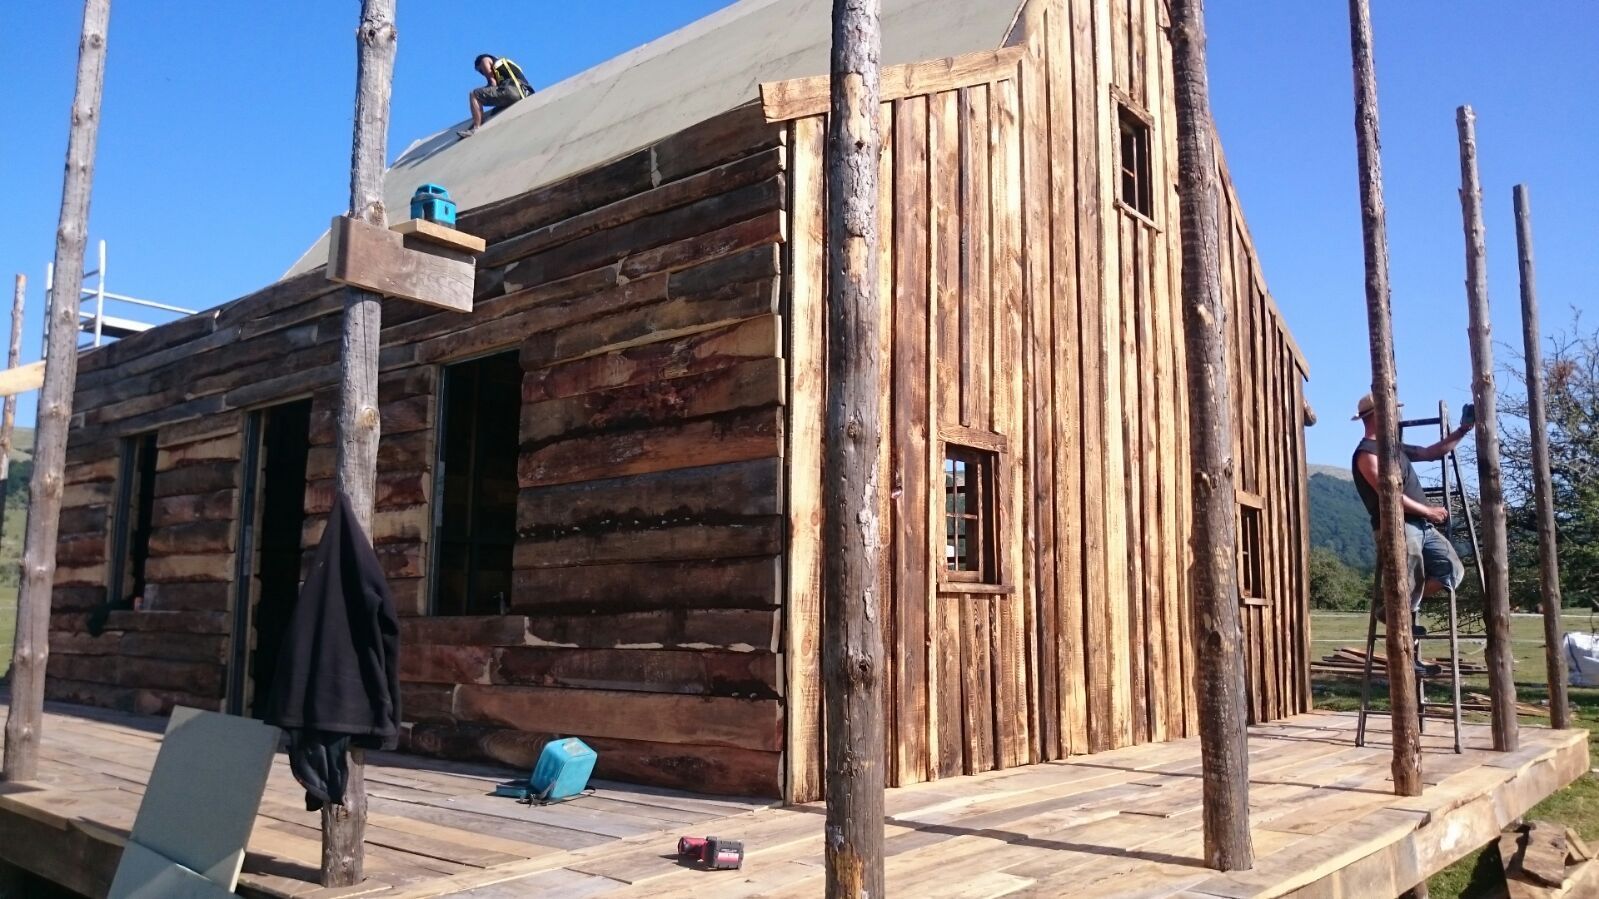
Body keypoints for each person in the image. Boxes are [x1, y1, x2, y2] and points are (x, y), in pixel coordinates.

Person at [1349, 392, 1472, 614]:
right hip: (1399, 527)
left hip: (1421, 525)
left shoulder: (1393, 447)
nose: (1396, 415)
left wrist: (1463, 429)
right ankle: (1398, 618)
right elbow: (1390, 496)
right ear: (1379, 414)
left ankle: (1392, 610)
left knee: (1452, 571)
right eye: (1392, 410)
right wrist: (1428, 510)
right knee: (1407, 583)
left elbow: (1430, 453)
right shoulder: (1366, 454)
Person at [459, 54, 533, 139]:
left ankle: (476, 127)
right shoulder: (506, 64)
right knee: (495, 109)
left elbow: (492, 83)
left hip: (511, 91)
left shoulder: (484, 60)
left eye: (479, 70)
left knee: (474, 94)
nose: (481, 72)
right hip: (526, 92)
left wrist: (484, 91)